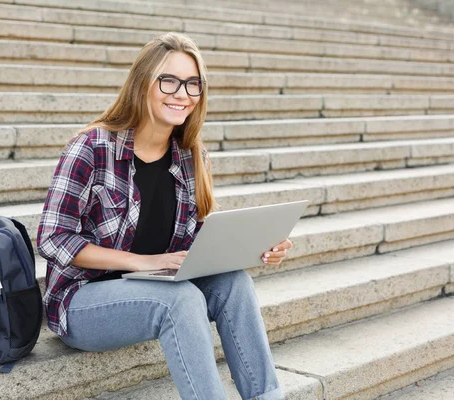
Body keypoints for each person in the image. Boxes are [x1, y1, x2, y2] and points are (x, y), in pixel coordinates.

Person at [37, 32, 293, 400]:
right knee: (183, 299)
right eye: (169, 80)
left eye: (193, 84)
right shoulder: (91, 148)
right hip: (82, 303)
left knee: (234, 283)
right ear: (143, 83)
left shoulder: (192, 157)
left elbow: (202, 241)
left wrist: (257, 246)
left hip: (157, 285)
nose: (182, 94)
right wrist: (143, 262)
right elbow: (52, 238)